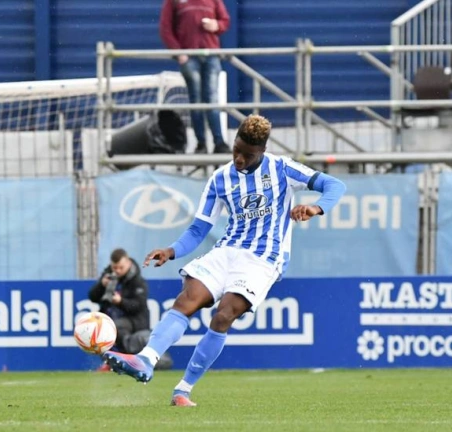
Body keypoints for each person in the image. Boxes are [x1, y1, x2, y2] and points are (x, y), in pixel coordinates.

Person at [102, 114, 347, 407]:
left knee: (223, 315)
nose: (239, 159)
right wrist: (172, 250)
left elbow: (335, 185)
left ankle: (183, 389)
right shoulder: (220, 178)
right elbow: (199, 228)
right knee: (186, 300)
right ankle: (145, 360)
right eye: (236, 150)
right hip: (227, 251)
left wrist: (316, 208)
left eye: (248, 155)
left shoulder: (282, 169)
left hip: (263, 259)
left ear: (262, 151)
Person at [159, 0, 231, 154]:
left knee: (212, 99)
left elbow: (225, 20)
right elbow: (165, 28)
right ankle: (201, 144)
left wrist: (216, 25)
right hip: (189, 57)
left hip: (211, 55)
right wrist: (178, 52)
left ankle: (219, 143)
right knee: (196, 100)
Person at [89, 249, 153, 357]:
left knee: (114, 327)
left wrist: (120, 301)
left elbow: (138, 305)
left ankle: (124, 357)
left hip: (134, 321)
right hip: (111, 317)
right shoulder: (108, 276)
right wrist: (101, 285)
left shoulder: (138, 281)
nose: (117, 271)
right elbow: (93, 297)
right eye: (115, 267)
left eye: (121, 267)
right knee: (94, 327)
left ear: (128, 263)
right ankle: (109, 361)